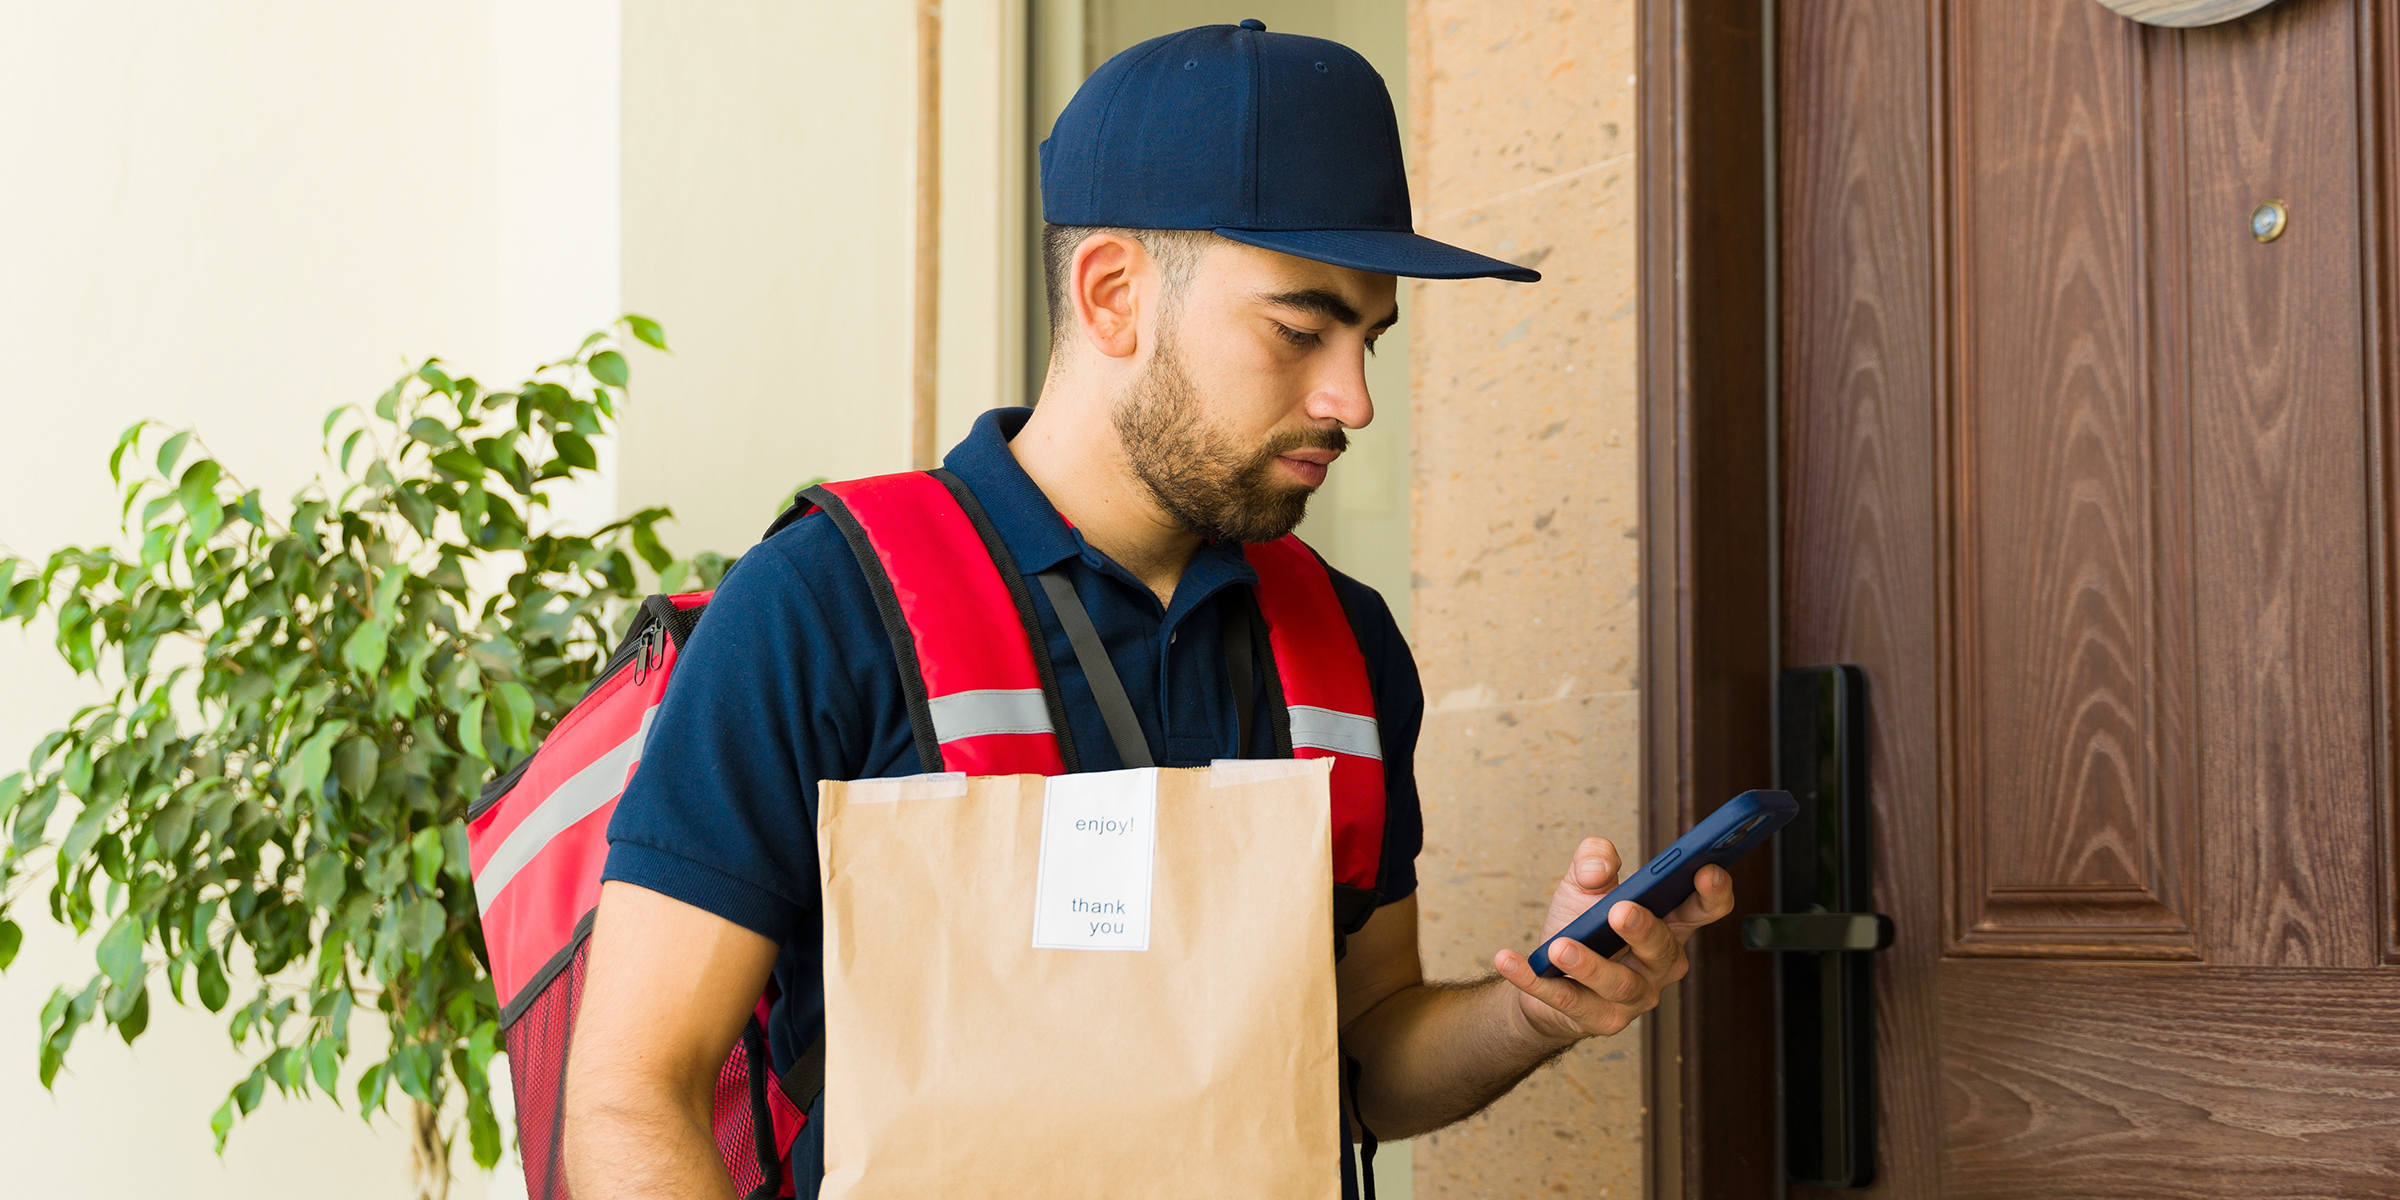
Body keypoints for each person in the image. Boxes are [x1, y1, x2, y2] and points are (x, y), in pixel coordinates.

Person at [561, 20, 1734, 1199]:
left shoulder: (1348, 645)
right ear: (1113, 293)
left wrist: (1537, 1010)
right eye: (1299, 328)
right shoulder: (821, 607)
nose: (1353, 399)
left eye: (1370, 338)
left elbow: (1362, 1051)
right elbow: (630, 1093)